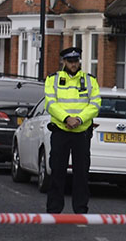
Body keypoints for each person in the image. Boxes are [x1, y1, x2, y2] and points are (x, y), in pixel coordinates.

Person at [43, 46, 100, 214]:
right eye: (70, 61)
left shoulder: (90, 80)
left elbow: (95, 105)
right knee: (57, 172)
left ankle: (81, 210)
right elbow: (50, 104)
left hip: (81, 132)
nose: (74, 64)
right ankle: (54, 210)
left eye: (76, 61)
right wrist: (66, 118)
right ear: (64, 62)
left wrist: (79, 119)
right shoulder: (52, 80)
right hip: (61, 130)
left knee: (81, 174)